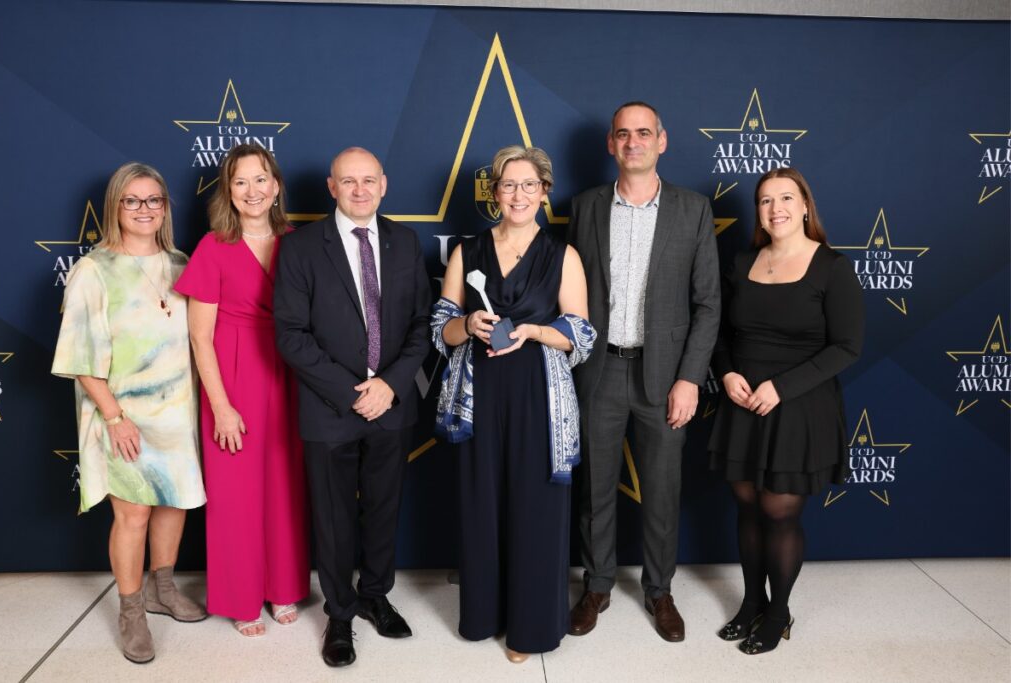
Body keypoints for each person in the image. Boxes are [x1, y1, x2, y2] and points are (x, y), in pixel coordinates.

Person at [432, 145, 595, 663]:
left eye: (529, 185)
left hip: (538, 396)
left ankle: (531, 627)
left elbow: (581, 334)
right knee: (482, 505)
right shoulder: (468, 252)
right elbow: (440, 330)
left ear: (544, 192)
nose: (518, 195)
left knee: (535, 510)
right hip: (478, 396)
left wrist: (534, 331)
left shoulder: (563, 256)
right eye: (508, 185)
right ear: (495, 192)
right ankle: (483, 615)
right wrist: (467, 324)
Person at [566, 101, 721, 642]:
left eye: (643, 133)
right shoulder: (584, 207)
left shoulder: (692, 209)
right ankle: (597, 585)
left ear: (662, 140)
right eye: (623, 134)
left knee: (661, 489)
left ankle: (659, 591)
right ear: (611, 143)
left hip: (666, 376)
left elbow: (708, 304)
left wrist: (689, 378)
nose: (633, 142)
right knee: (595, 489)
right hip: (599, 371)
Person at [274, 147, 431, 668]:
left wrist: (389, 385)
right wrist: (351, 391)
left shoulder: (405, 242)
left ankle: (375, 595)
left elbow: (421, 324)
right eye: (348, 181)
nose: (360, 190)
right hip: (330, 407)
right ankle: (339, 614)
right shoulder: (300, 248)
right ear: (331, 186)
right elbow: (291, 335)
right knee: (334, 516)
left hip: (392, 403)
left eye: (368, 180)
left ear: (383, 184)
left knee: (384, 507)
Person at [52, 162, 207, 664]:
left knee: (174, 503)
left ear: (165, 207)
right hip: (124, 416)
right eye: (132, 200)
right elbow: (79, 357)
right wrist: (115, 418)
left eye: (154, 200)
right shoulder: (93, 270)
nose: (144, 209)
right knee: (133, 513)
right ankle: (132, 609)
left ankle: (164, 589)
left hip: (177, 414)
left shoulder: (182, 263)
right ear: (115, 206)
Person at [709, 167, 864, 654]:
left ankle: (778, 614)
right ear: (758, 211)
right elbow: (720, 334)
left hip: (798, 405)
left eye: (786, 198)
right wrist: (727, 374)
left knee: (779, 513)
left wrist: (781, 387)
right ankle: (751, 603)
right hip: (742, 403)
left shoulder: (832, 267)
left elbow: (847, 347)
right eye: (765, 200)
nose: (775, 208)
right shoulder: (742, 263)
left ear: (805, 206)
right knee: (748, 507)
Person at [174, 143, 310, 637]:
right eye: (240, 182)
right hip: (233, 378)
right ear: (228, 192)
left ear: (275, 186)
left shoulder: (299, 243)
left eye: (260, 179)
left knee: (285, 485)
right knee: (236, 494)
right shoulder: (214, 247)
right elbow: (199, 337)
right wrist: (221, 406)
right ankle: (241, 596)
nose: (252, 191)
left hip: (289, 374)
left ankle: (283, 586)